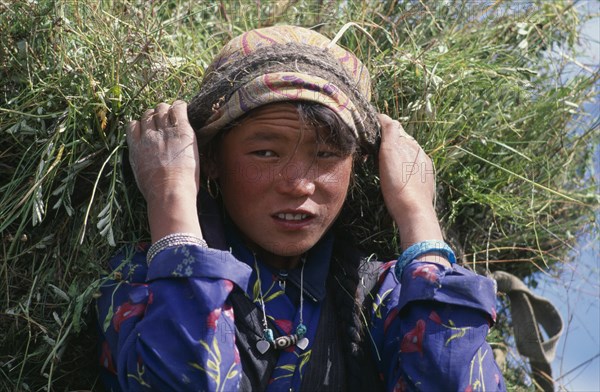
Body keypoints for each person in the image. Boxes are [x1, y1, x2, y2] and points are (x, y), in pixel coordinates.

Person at [96, 25, 505, 391]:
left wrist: (417, 214)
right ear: (213, 160)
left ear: (357, 167)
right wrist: (171, 198)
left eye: (326, 154)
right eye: (266, 152)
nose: (299, 184)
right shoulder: (144, 282)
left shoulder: (384, 299)